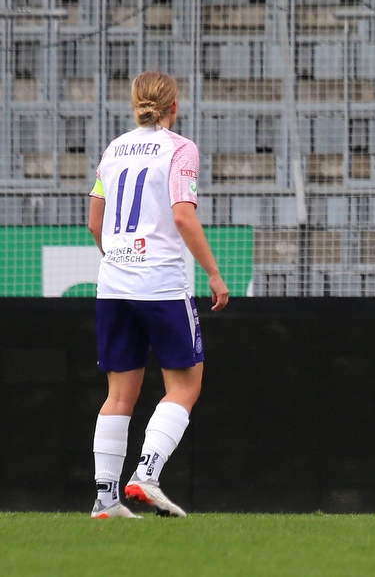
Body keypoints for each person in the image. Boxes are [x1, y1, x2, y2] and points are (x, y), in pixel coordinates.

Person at [87, 71, 229, 519]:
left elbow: (95, 222)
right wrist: (214, 273)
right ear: (174, 106)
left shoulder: (113, 150)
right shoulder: (179, 148)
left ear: (135, 104)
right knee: (185, 385)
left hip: (113, 284)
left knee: (118, 395)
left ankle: (105, 500)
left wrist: (120, 261)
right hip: (161, 284)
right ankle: (146, 476)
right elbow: (183, 216)